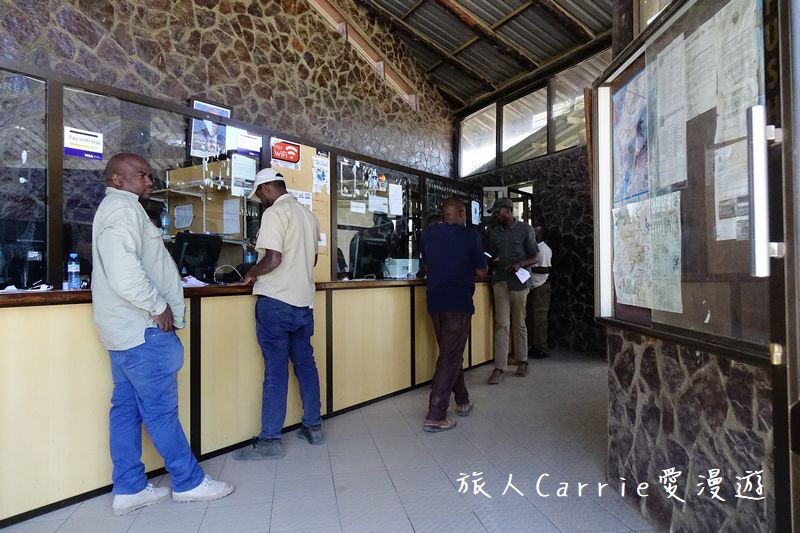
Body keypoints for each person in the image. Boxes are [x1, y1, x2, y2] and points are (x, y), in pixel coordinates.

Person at [91, 153, 234, 516]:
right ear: (117, 180)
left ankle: (129, 488)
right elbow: (123, 271)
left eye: (149, 175)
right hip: (142, 330)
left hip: (124, 332)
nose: (149, 181)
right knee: (160, 411)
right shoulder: (122, 210)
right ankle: (188, 482)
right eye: (141, 175)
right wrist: (157, 305)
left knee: (125, 409)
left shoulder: (121, 210)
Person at [233, 168, 323, 460]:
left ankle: (270, 440)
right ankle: (313, 427)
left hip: (276, 302)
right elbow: (313, 259)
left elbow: (273, 259)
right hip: (302, 303)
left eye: (260, 194)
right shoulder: (308, 215)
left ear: (268, 188)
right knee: (305, 365)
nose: (261, 200)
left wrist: (250, 273)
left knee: (275, 371)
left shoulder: (274, 214)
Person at [419, 199, 488, 432]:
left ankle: (463, 400)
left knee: (450, 353)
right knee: (450, 356)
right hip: (458, 302)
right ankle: (436, 414)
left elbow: (426, 265)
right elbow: (482, 271)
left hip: (435, 301)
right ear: (461, 213)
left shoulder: (429, 234)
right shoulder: (471, 235)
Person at [485, 197, 538, 384]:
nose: (496, 215)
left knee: (519, 323)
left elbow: (535, 256)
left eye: (498, 212)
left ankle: (522, 360)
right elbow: (490, 255)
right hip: (500, 281)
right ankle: (499, 368)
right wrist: (493, 260)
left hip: (520, 283)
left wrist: (520, 264)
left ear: (508, 210)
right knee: (502, 324)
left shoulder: (525, 229)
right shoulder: (493, 232)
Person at [528, 223, 553, 359]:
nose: (533, 233)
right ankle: (535, 346)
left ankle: (541, 348)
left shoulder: (544, 249)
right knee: (534, 318)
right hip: (534, 286)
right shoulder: (534, 247)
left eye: (535, 231)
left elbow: (546, 269)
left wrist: (527, 267)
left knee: (540, 319)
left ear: (541, 234)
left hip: (541, 286)